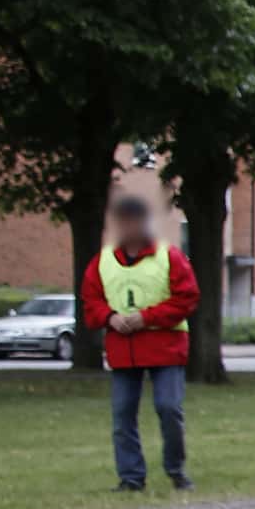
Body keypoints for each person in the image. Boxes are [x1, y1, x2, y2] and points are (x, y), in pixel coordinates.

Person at [80, 194, 199, 493]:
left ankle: (176, 469)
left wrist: (146, 318)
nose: (127, 228)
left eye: (132, 222)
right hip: (124, 350)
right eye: (122, 222)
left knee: (169, 408)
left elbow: (186, 298)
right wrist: (110, 317)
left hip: (165, 347)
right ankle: (131, 478)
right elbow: (90, 301)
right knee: (122, 415)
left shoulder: (169, 256)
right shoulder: (103, 261)